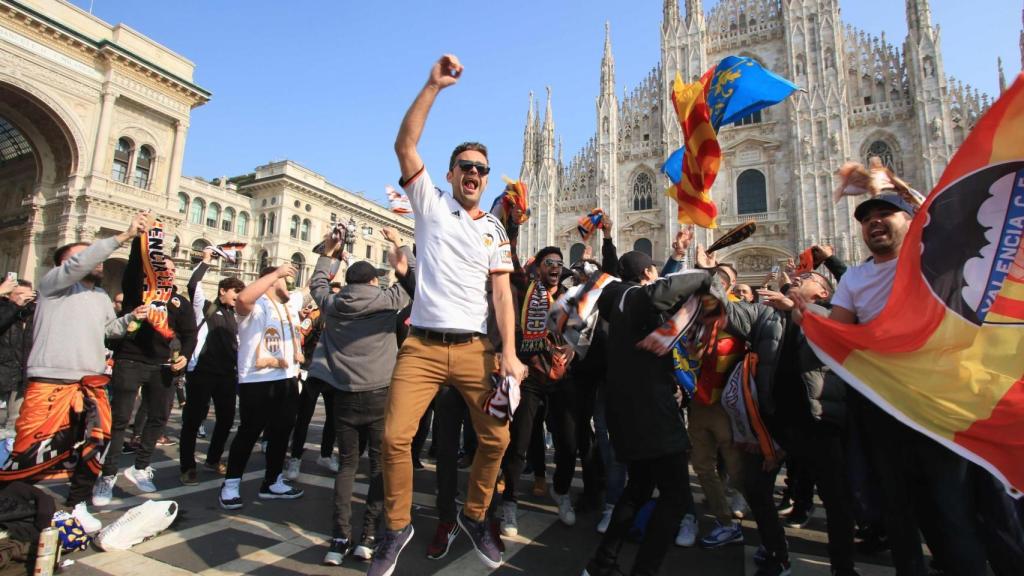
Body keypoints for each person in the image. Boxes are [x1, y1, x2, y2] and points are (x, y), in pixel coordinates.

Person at [368, 54, 527, 576]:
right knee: (394, 437)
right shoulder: (430, 204)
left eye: (482, 168)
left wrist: (508, 351)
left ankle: (476, 514)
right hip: (423, 346)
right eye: (467, 167)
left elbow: (502, 295)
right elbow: (404, 145)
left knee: (497, 438)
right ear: (451, 173)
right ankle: (396, 527)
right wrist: (433, 85)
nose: (475, 175)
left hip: (476, 349)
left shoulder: (495, 231)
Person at [793, 192, 989, 576]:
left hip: (936, 404)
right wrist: (807, 317)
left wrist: (897, 186)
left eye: (887, 214)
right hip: (882, 407)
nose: (875, 222)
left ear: (912, 221)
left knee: (951, 510)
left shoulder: (929, 261)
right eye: (867, 219)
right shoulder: (856, 277)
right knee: (895, 507)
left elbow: (956, 224)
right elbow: (841, 331)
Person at [0, 212, 149, 534]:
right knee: (31, 448)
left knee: (95, 445)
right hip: (52, 380)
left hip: (91, 382)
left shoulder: (99, 296)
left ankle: (77, 502)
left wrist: (131, 319)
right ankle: (15, 506)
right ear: (66, 263)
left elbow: (109, 331)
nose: (96, 262)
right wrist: (122, 237)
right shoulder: (53, 285)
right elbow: (77, 266)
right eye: (86, 255)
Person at [583, 252, 712, 576]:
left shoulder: (616, 300)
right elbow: (658, 293)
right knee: (676, 496)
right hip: (650, 411)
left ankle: (603, 564)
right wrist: (704, 273)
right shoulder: (633, 296)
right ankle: (644, 570)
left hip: (627, 409)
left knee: (638, 488)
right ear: (648, 272)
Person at [311, 232, 411, 566]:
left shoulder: (334, 304)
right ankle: (367, 536)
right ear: (371, 280)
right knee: (379, 467)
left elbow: (318, 284)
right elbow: (412, 279)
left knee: (347, 467)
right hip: (380, 396)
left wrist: (328, 255)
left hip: (343, 398)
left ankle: (339, 539)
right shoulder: (386, 301)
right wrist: (399, 245)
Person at [94, 236, 197, 502]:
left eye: (174, 271)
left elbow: (189, 334)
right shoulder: (137, 292)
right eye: (166, 269)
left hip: (163, 366)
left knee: (158, 418)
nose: (171, 273)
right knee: (120, 419)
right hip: (131, 360)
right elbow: (132, 268)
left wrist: (185, 356)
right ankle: (107, 476)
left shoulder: (179, 302)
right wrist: (140, 238)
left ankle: (140, 466)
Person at [500, 246, 578, 537]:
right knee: (519, 444)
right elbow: (512, 257)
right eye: (549, 263)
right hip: (531, 377)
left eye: (559, 263)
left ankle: (561, 491)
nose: (555, 267)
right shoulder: (525, 289)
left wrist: (572, 344)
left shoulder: (569, 296)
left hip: (561, 379)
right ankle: (509, 501)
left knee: (568, 444)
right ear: (538, 268)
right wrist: (513, 218)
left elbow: (578, 327)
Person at [219, 263, 305, 510]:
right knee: (249, 432)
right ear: (268, 280)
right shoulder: (255, 309)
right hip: (257, 380)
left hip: (286, 378)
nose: (288, 284)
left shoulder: (288, 306)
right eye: (283, 280)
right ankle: (231, 484)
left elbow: (314, 287)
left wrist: (332, 252)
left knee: (281, 433)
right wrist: (275, 274)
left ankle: (273, 481)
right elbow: (244, 298)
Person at [178, 247, 244, 485]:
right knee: (194, 420)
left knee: (226, 419)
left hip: (226, 375)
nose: (238, 296)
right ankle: (187, 466)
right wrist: (206, 261)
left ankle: (213, 459)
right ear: (223, 290)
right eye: (235, 292)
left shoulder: (236, 316)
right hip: (202, 372)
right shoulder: (204, 308)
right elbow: (194, 284)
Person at [0, 279, 35, 433]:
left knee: (14, 427)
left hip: (21, 381)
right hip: (2, 377)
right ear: (8, 295)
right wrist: (14, 307)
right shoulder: (4, 310)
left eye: (28, 295)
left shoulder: (31, 315)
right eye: (19, 294)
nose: (24, 299)